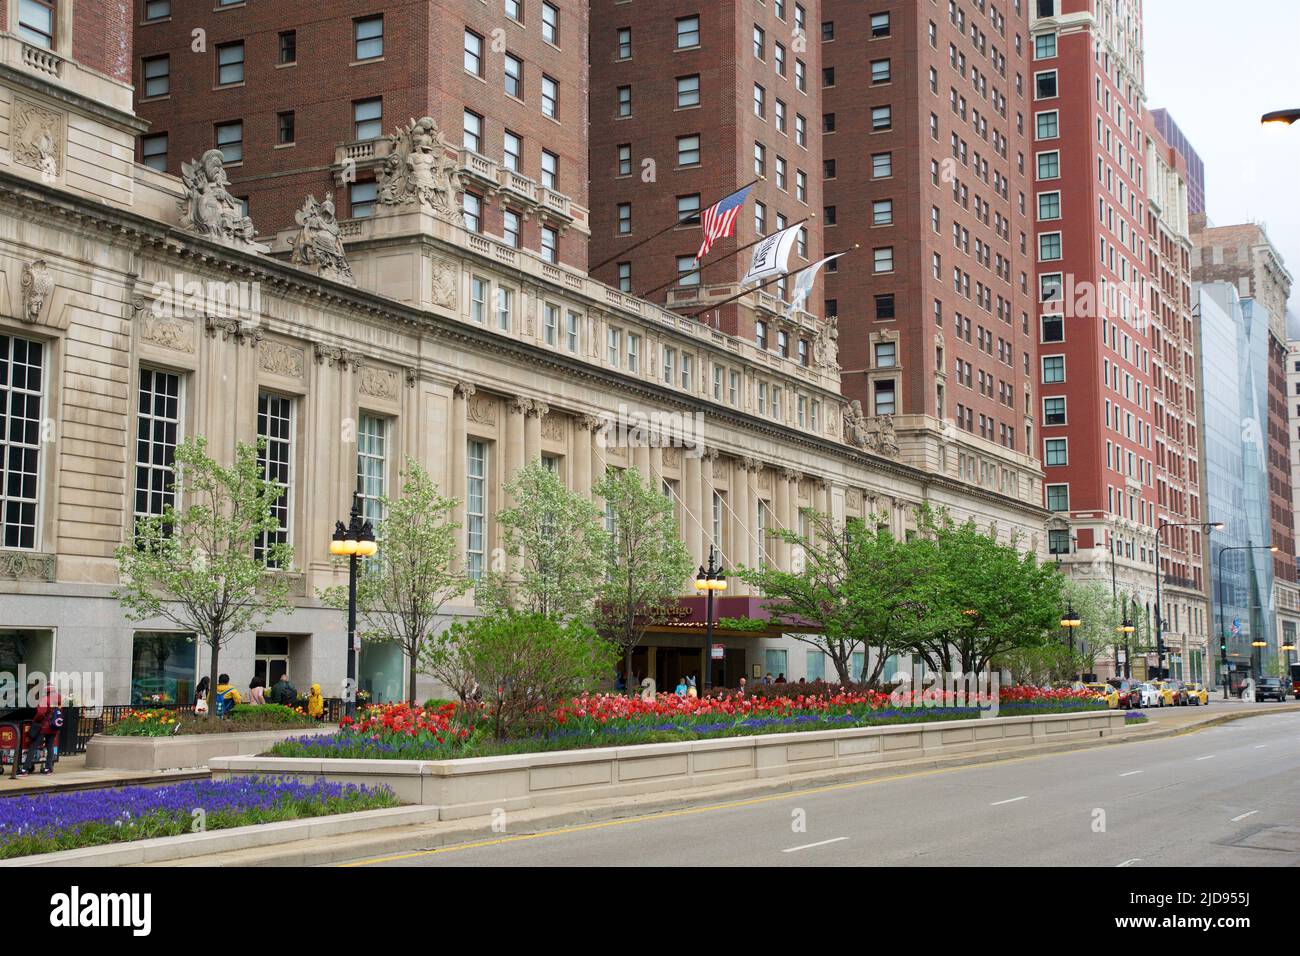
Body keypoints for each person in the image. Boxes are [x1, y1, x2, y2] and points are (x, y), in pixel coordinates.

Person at [17, 681, 62, 776]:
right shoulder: (59, 699)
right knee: (50, 747)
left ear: (46, 691)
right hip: (54, 727)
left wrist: (35, 721)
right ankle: (48, 769)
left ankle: (25, 769)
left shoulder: (45, 699)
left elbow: (40, 713)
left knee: (33, 746)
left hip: (44, 727)